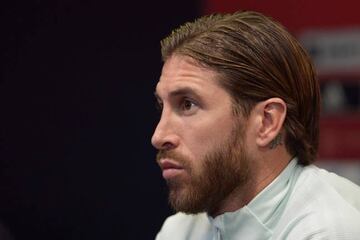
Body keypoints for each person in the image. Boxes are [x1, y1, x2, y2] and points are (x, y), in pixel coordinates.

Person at [151, 10, 360, 240]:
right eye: (162, 106)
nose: (159, 136)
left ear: (267, 122)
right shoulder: (181, 230)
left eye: (188, 104)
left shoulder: (327, 230)